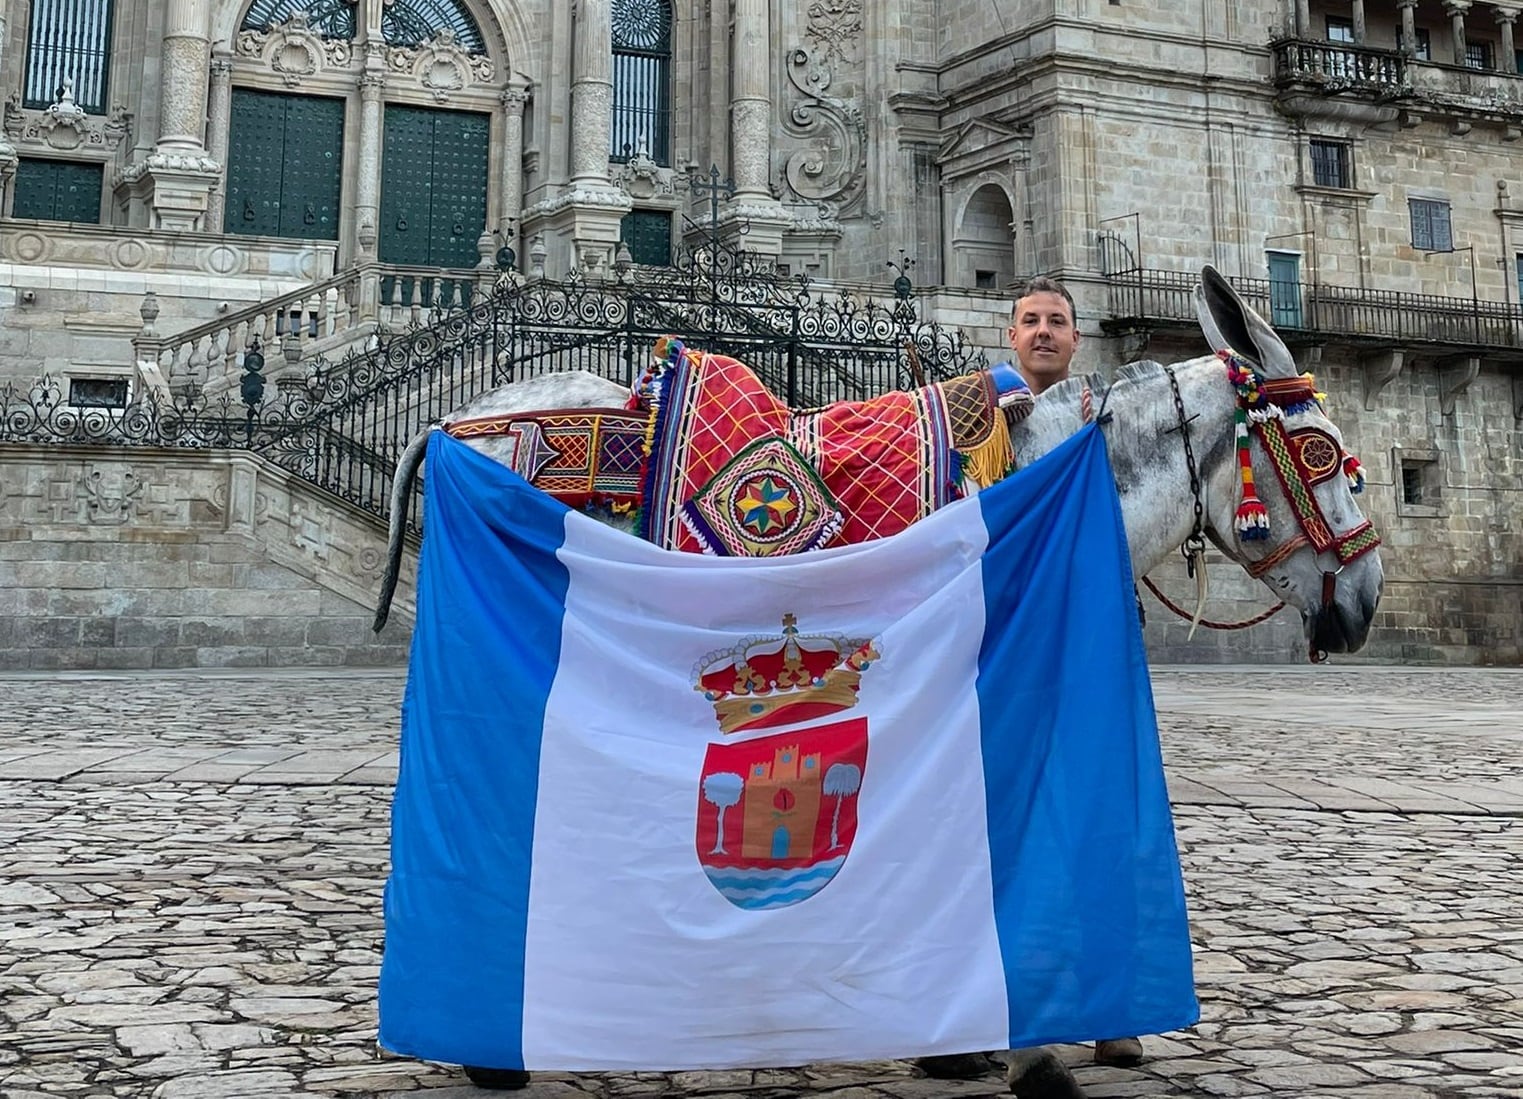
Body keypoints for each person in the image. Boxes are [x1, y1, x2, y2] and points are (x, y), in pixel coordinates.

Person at [915, 278, 1142, 1096]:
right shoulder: (986, 416)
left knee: (1090, 819)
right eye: (1030, 321)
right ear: (1010, 335)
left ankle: (1105, 1007)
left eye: (1056, 322)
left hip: (1073, 646)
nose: (1043, 333)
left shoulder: (1092, 418)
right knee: (991, 834)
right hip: (1000, 650)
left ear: (1076, 339)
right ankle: (965, 1019)